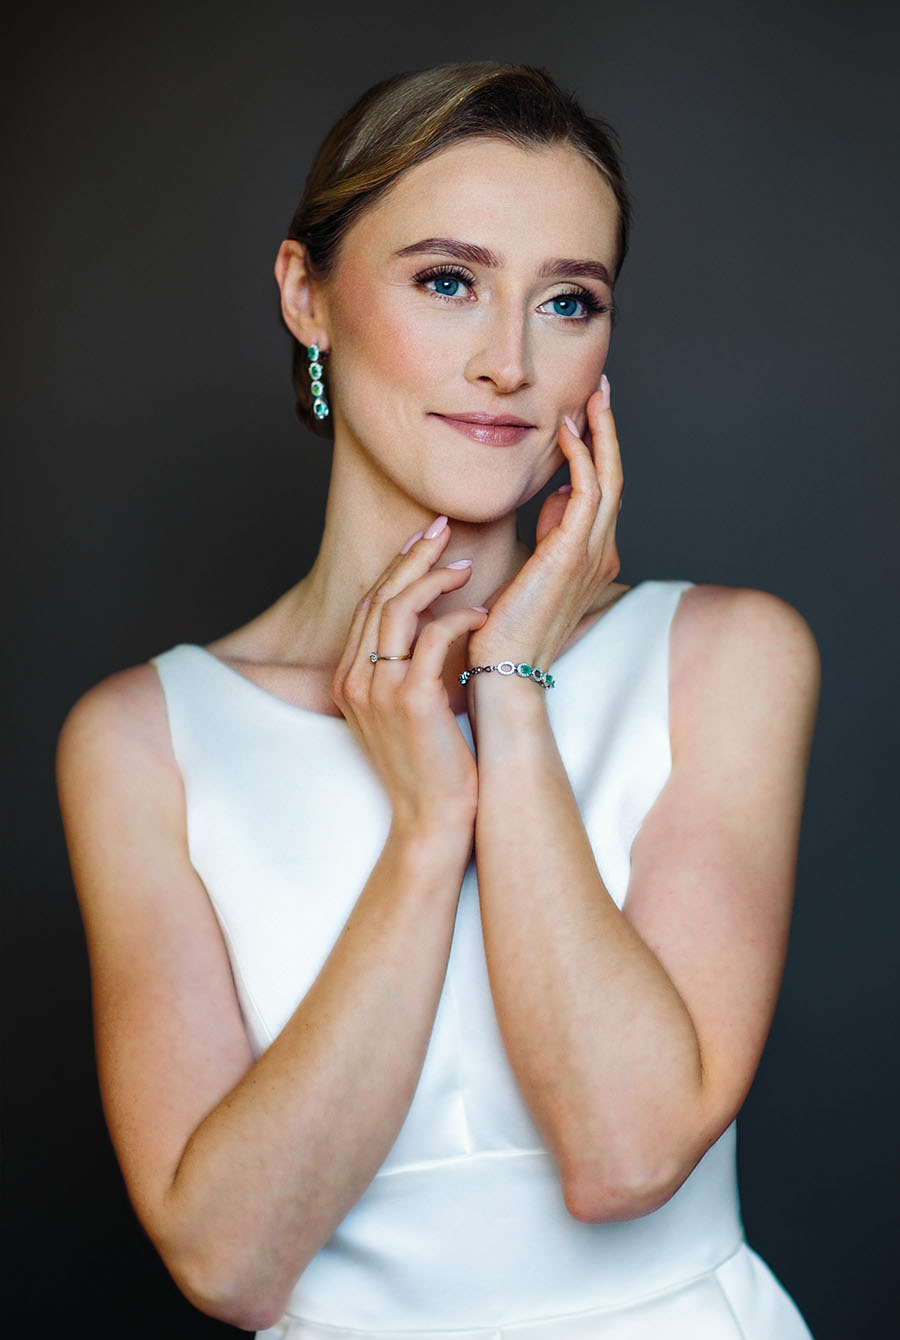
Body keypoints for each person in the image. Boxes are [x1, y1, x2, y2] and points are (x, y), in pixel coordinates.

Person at [57, 62, 819, 1340]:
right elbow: (232, 1261)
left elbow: (627, 1153)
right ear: (308, 295)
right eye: (449, 281)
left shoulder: (726, 656)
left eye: (567, 301)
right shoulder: (145, 739)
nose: (508, 362)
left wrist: (511, 693)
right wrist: (424, 832)